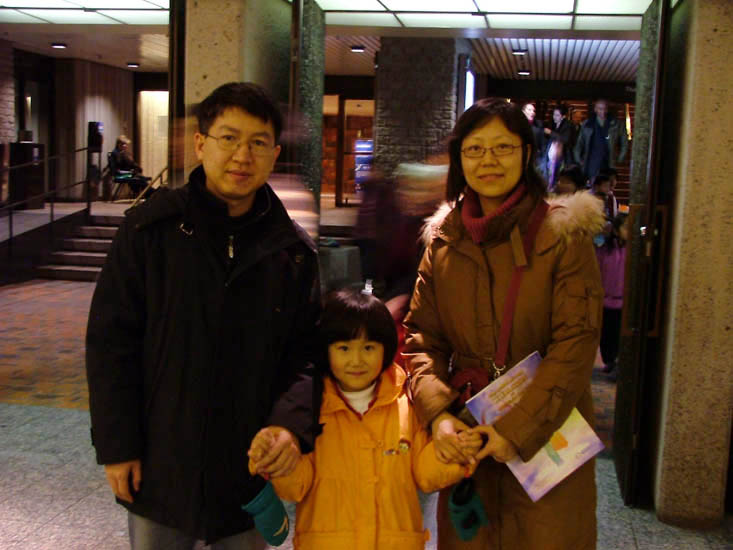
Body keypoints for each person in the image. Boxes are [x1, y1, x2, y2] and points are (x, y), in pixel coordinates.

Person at [86, 82, 322, 549]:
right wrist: (118, 446)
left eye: (258, 143)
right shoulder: (149, 232)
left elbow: (307, 355)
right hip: (160, 463)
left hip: (248, 468)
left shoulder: (292, 252)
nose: (242, 156)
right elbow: (111, 344)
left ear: (275, 154)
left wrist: (289, 427)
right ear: (200, 143)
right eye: (228, 138)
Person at [403, 98, 605, 549]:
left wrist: (515, 432)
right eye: (475, 149)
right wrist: (438, 416)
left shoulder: (562, 236)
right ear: (459, 158)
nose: (488, 160)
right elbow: (421, 340)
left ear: (526, 154)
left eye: (503, 147)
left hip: (549, 435)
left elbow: (575, 346)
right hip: (468, 435)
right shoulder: (444, 241)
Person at [248, 288, 475, 549]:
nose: (356, 360)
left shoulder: (407, 403)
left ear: (385, 349)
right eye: (344, 348)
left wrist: (454, 452)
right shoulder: (312, 407)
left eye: (368, 348)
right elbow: (297, 485)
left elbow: (425, 472)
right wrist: (276, 459)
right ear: (326, 350)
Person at [596, 212, 629, 381]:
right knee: (606, 334)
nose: (629, 231)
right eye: (625, 227)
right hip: (605, 301)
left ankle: (616, 362)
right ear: (616, 230)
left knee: (618, 335)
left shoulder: (632, 251)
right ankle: (609, 360)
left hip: (623, 302)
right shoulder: (605, 249)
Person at [574, 99, 628, 181]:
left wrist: (620, 158)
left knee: (607, 183)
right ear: (595, 109)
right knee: (591, 183)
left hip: (608, 161)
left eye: (605, 109)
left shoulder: (616, 124)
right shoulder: (587, 124)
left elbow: (624, 143)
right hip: (591, 160)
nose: (603, 111)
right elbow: (579, 143)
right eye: (600, 109)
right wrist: (578, 158)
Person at [542, 104, 573, 190]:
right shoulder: (553, 124)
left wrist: (551, 133)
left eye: (557, 115)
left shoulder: (568, 125)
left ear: (563, 116)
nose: (554, 117)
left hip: (562, 156)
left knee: (558, 175)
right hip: (551, 154)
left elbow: (565, 139)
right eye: (554, 114)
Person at [522, 102, 545, 173]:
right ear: (523, 112)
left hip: (534, 158)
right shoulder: (517, 124)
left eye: (533, 110)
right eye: (529, 110)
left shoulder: (538, 125)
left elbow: (542, 142)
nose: (532, 112)